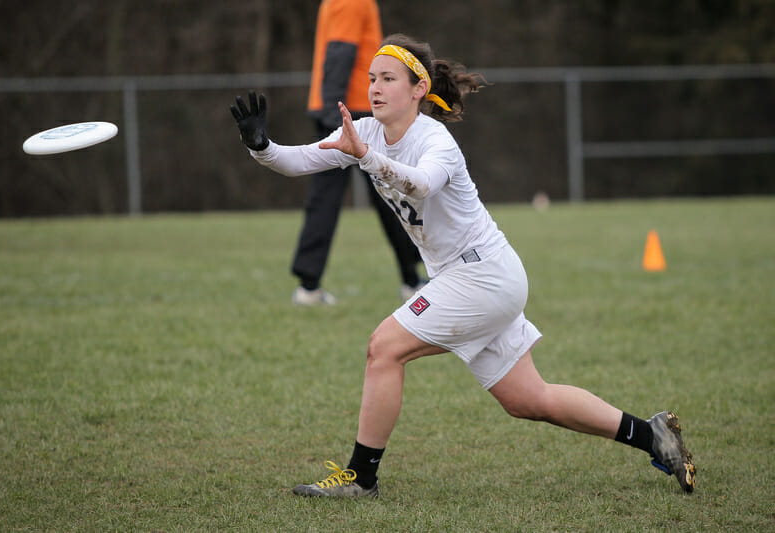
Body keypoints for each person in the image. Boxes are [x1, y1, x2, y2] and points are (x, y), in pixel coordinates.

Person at [229, 33, 696, 498]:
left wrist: (366, 158)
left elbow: (422, 184)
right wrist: (261, 145)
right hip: (473, 278)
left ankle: (360, 478)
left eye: (388, 78)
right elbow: (298, 161)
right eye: (371, 78)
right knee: (529, 399)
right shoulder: (365, 130)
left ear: (418, 90)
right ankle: (652, 435)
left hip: (483, 275)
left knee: (384, 348)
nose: (374, 87)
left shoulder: (436, 141)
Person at [292, 0, 424, 306]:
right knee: (388, 193)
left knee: (381, 195)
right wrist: (333, 114)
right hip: (351, 109)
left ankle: (310, 286)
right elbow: (340, 51)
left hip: (343, 106)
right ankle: (411, 279)